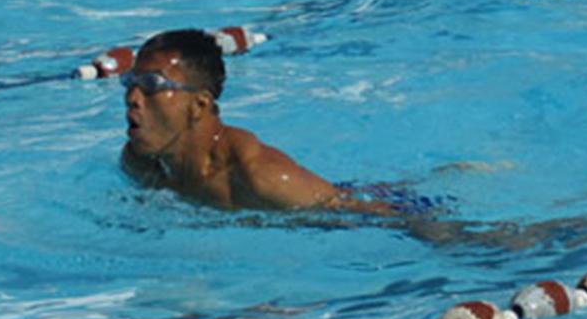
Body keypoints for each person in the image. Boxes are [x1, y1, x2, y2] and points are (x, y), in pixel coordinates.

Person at [121, 29, 397, 215]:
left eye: (151, 84)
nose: (132, 97)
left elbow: (372, 214)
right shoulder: (140, 163)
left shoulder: (259, 177)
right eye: (130, 82)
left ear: (200, 104)